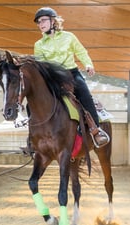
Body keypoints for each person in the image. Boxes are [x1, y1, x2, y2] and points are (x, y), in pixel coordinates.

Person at [32, 6, 110, 148]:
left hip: (71, 74)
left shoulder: (69, 37)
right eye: (38, 22)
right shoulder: (38, 45)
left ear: (53, 21)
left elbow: (81, 52)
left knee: (85, 95)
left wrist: (88, 64)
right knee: (32, 101)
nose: (40, 24)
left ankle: (95, 131)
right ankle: (33, 136)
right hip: (52, 78)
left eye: (43, 20)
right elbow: (41, 65)